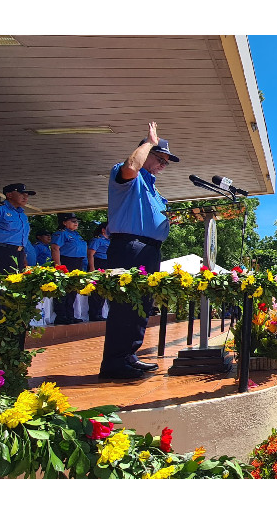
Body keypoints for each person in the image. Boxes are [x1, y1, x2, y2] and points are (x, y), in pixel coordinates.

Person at [99, 121, 178, 379]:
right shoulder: (128, 176)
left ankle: (128, 355)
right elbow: (131, 167)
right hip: (129, 248)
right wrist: (149, 142)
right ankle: (114, 363)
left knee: (142, 306)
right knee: (126, 306)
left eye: (167, 162)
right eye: (160, 158)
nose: (164, 165)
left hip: (148, 250)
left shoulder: (152, 187)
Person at [0, 182, 35, 327]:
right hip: (0, 250)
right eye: (22, 193)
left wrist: (23, 257)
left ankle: (7, 319)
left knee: (14, 286)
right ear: (9, 195)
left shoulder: (22, 214)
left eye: (27, 194)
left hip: (17, 253)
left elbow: (21, 238)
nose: (26, 196)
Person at [87, 222, 110, 322]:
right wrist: (92, 268)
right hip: (98, 263)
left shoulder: (110, 241)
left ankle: (99, 313)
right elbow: (90, 254)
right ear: (103, 230)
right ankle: (94, 314)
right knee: (96, 291)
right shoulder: (97, 240)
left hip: (106, 264)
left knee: (103, 290)